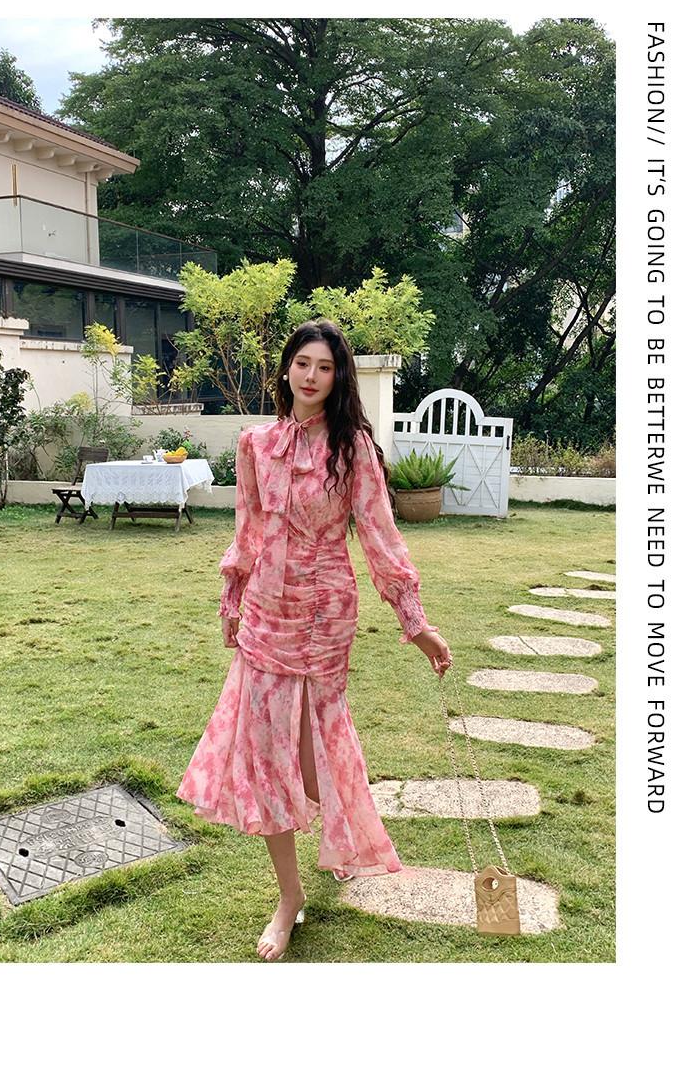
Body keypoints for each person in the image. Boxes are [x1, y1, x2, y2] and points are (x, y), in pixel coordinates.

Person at [176, 319, 452, 961]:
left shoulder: (352, 449)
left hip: (326, 611)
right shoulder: (256, 443)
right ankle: (289, 895)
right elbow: (248, 528)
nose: (311, 376)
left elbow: (380, 536)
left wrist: (416, 622)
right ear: (286, 368)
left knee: (310, 753)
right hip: (267, 613)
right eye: (303, 363)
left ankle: (343, 832)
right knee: (266, 752)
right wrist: (232, 597)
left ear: (338, 377)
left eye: (324, 367)